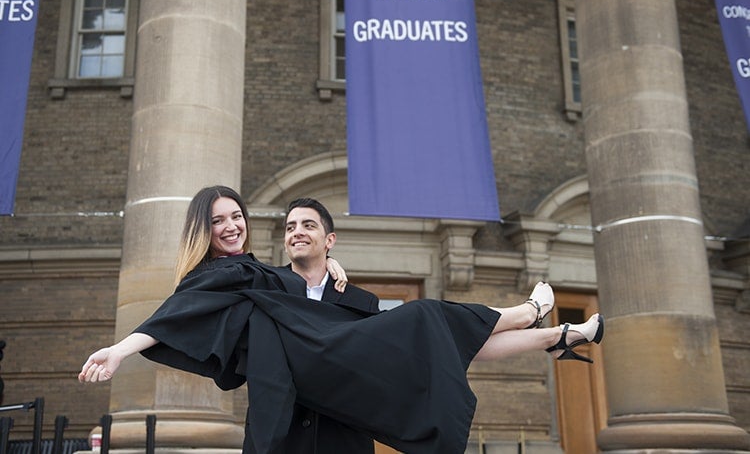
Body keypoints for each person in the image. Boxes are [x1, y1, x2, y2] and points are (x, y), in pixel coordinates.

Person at [79, 185, 604, 454]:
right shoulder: (235, 277)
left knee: (435, 329)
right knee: (427, 317)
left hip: (339, 426)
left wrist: (328, 273)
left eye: (237, 216)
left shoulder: (308, 285)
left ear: (330, 240)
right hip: (284, 426)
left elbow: (455, 345)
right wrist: (119, 350)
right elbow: (175, 316)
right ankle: (538, 315)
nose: (232, 225)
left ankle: (554, 330)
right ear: (205, 230)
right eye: (218, 221)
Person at [249, 197, 380, 454]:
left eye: (308, 225)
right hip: (276, 442)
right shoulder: (262, 290)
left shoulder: (362, 303)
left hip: (342, 441)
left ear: (329, 240)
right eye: (290, 227)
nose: (297, 232)